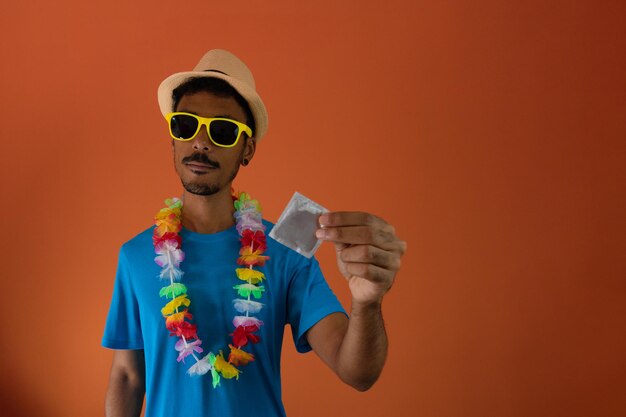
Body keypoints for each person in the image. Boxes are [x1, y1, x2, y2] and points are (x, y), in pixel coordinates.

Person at [102, 49, 406, 417]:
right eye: (185, 125)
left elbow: (358, 372)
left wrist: (367, 303)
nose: (201, 142)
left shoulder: (285, 252)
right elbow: (127, 377)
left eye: (224, 131)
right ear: (172, 139)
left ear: (247, 149)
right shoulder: (135, 256)